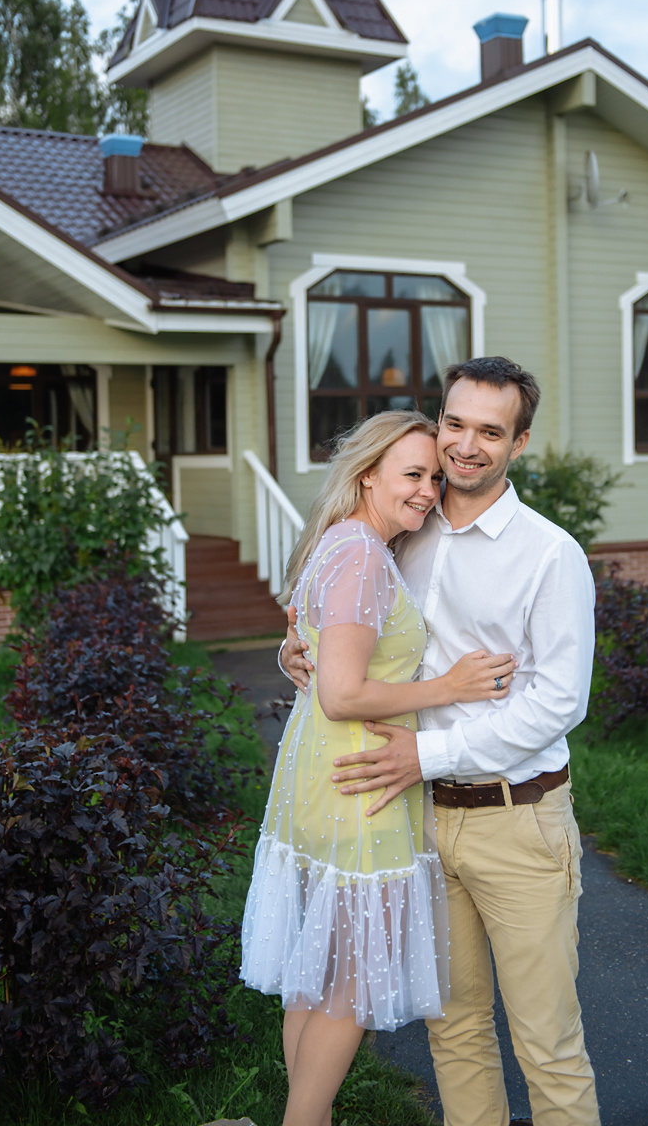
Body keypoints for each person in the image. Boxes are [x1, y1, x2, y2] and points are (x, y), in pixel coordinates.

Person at [282, 357, 601, 1126]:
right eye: (455, 423)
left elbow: (560, 701)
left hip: (514, 819)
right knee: (453, 1030)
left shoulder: (549, 554)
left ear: (518, 443)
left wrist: (425, 755)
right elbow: (354, 632)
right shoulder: (405, 530)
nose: (465, 446)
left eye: (490, 431)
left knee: (547, 1043)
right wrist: (296, 651)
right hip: (415, 820)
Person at [240, 408, 516, 1126]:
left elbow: (317, 652)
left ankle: (306, 1117)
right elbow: (342, 692)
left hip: (324, 775)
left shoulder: (344, 542)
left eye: (432, 475)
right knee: (352, 982)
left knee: (319, 975)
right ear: (367, 475)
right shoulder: (363, 553)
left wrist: (288, 652)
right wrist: (449, 687)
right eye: (412, 475)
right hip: (362, 777)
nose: (428, 490)